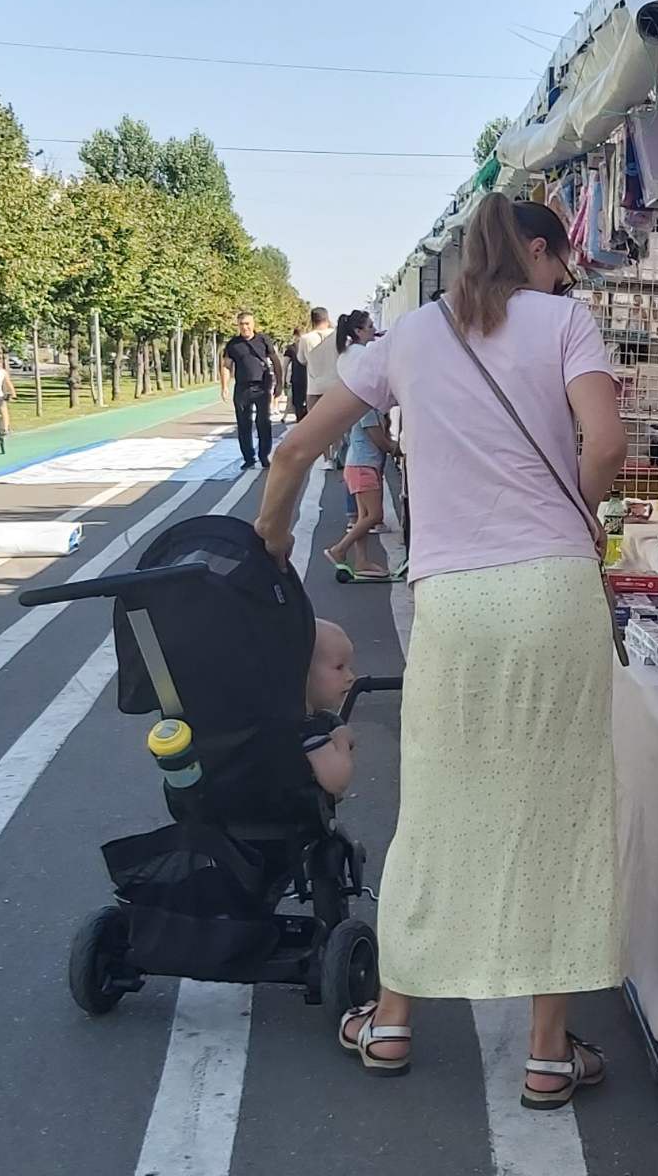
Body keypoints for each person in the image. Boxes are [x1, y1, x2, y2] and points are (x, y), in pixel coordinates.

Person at [256, 192, 627, 1101]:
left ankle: (390, 1023)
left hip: (454, 598)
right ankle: (546, 1051)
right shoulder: (569, 321)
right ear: (538, 254)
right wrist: (573, 508)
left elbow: (297, 448)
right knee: (560, 808)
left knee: (437, 806)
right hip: (555, 591)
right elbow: (608, 443)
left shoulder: (409, 338)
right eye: (559, 260)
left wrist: (269, 542)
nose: (562, 276)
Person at [324, 313, 394, 578]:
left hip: (358, 463)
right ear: (358, 331)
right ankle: (340, 549)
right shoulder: (365, 400)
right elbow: (375, 435)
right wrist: (393, 447)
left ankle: (362, 561)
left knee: (362, 516)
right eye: (370, 327)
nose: (374, 331)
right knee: (373, 515)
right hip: (364, 464)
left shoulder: (354, 374)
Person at [301, 618, 358, 797]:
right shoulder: (307, 728)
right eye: (339, 667)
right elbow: (337, 781)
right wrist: (341, 738)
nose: (351, 676)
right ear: (305, 672)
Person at [220, 311, 283, 469]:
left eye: (247, 324)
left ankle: (264, 455)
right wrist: (224, 386)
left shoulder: (263, 340)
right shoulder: (233, 344)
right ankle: (248, 458)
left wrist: (279, 383)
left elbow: (275, 361)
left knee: (263, 421)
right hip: (242, 387)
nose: (245, 327)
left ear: (253, 324)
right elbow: (227, 366)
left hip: (262, 386)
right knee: (243, 423)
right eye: (241, 324)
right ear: (238, 326)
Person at [285, 328, 307, 422]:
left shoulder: (292, 348)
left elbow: (284, 365)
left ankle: (302, 420)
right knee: (301, 403)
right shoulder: (292, 348)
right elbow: (284, 365)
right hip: (302, 378)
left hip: (300, 378)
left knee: (300, 403)